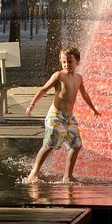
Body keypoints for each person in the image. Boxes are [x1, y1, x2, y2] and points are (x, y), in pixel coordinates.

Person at [25, 45, 99, 183]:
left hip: (69, 117)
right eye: (64, 62)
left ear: (77, 61)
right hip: (55, 116)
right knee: (50, 145)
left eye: (70, 61)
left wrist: (93, 109)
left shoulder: (78, 78)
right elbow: (43, 89)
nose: (66, 64)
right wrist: (32, 104)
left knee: (76, 145)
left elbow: (84, 94)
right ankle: (34, 171)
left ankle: (67, 176)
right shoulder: (59, 76)